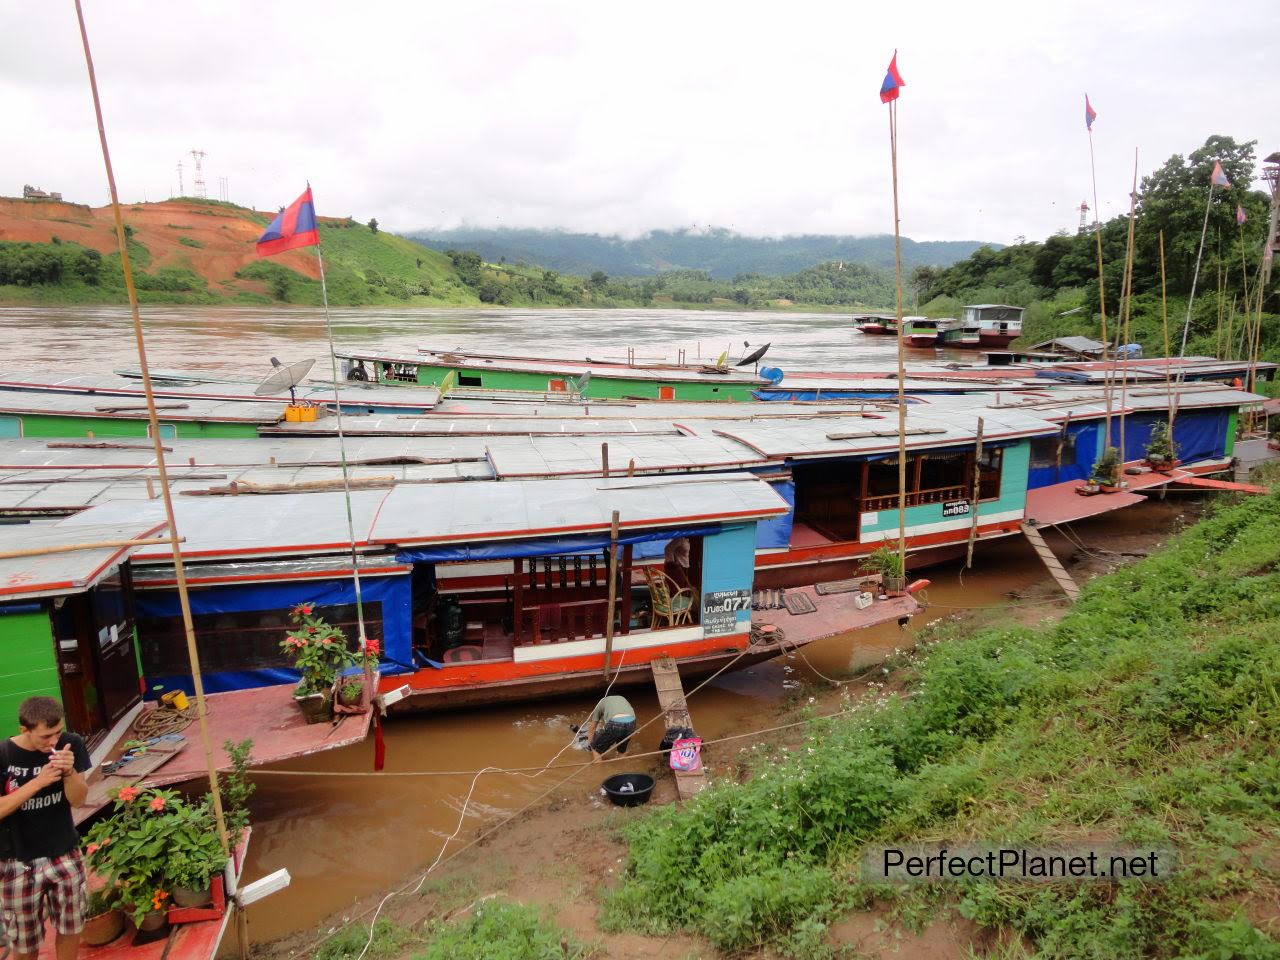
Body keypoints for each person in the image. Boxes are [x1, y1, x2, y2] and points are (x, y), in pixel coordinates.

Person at [1, 697, 90, 960]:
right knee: (24, 943)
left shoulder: (71, 744)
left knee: (71, 927)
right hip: (17, 860)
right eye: (45, 736)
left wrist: (69, 772)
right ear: (24, 730)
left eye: (57, 732)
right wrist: (38, 782)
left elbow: (79, 799)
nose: (52, 742)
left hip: (64, 852)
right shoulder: (4, 755)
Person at [585, 694, 635, 763]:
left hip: (615, 723)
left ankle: (599, 771)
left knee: (596, 749)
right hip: (632, 723)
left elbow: (592, 728)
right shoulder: (621, 698)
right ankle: (622, 768)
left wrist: (591, 745)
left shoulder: (600, 704)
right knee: (622, 751)